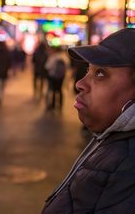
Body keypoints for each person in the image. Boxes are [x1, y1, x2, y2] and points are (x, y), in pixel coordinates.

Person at [42, 28, 135, 213]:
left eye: (100, 73)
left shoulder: (128, 167)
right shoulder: (114, 139)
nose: (80, 84)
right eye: (88, 70)